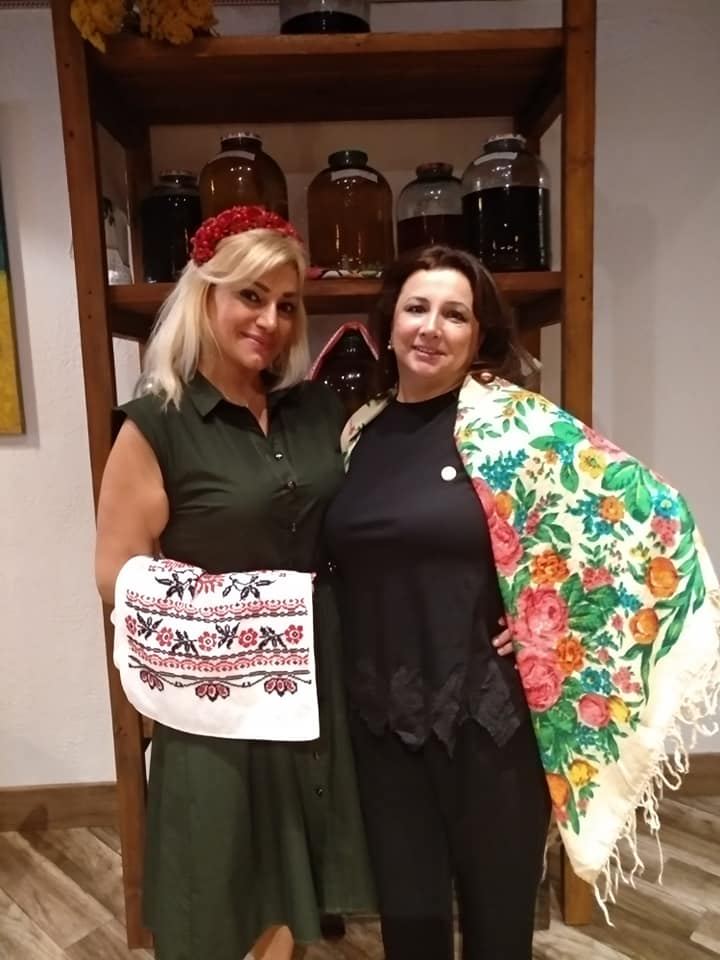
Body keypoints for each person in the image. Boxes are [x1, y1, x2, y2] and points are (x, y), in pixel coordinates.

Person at [325, 245, 720, 960]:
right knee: (408, 924)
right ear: (389, 323)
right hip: (383, 718)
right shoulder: (359, 433)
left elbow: (648, 514)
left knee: (498, 921)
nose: (431, 327)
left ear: (479, 334)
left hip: (490, 716)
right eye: (417, 308)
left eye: (455, 314)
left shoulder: (518, 428)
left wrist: (555, 606)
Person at [95, 206, 375, 960]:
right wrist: (235, 616)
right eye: (251, 296)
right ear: (206, 296)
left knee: (291, 865)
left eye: (287, 304)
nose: (271, 321)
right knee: (220, 872)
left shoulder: (315, 409)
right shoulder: (156, 423)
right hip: (216, 692)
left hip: (316, 675)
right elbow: (115, 571)